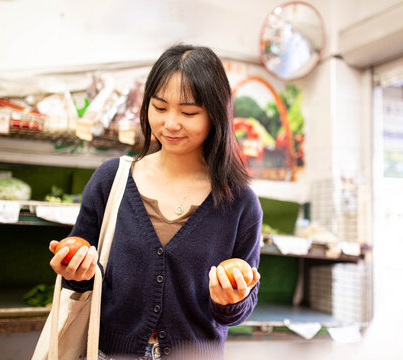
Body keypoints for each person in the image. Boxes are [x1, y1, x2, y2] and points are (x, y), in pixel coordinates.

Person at [48, 44, 262, 360]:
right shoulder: (112, 179)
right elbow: (80, 261)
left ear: (215, 115)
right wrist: (73, 268)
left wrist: (232, 299)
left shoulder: (240, 202)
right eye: (160, 108)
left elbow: (240, 310)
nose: (171, 123)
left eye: (189, 112)